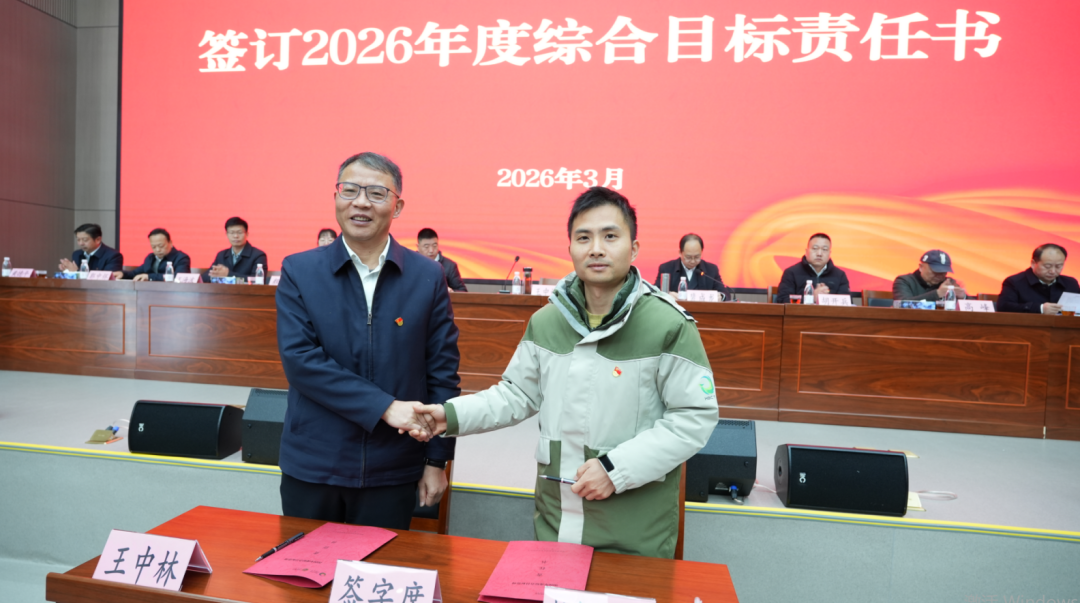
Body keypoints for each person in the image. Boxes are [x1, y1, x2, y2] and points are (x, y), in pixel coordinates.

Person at [412, 187, 719, 559]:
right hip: (556, 520)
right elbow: (516, 395)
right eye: (584, 238)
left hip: (635, 529)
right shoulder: (547, 321)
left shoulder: (668, 324)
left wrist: (616, 469)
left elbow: (693, 416)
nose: (596, 249)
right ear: (570, 247)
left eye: (610, 236)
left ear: (634, 248)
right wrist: (449, 415)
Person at [275, 152, 459, 528]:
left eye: (376, 193)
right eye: (350, 190)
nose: (360, 202)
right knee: (304, 563)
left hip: (392, 467)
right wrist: (385, 407)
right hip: (314, 464)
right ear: (336, 198)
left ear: (398, 206)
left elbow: (442, 372)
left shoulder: (427, 276)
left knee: (381, 565)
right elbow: (300, 361)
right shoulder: (299, 270)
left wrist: (437, 461)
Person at [997, 244, 1080, 314]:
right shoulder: (1014, 282)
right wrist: (1040, 308)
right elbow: (1003, 307)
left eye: (1058, 266)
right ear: (1033, 263)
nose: (1053, 271)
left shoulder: (1071, 283)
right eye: (1047, 266)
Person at [776, 233, 851, 301]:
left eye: (824, 249)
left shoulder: (840, 275)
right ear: (806, 251)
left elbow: (846, 303)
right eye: (815, 248)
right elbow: (782, 300)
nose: (819, 254)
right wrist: (812, 298)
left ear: (829, 253)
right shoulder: (791, 273)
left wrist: (826, 298)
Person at [201, 217, 268, 282]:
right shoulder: (221, 255)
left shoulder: (258, 255)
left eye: (239, 232)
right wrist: (214, 275)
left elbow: (258, 281)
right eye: (232, 233)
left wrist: (228, 274)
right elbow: (204, 277)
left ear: (247, 234)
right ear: (227, 235)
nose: (236, 236)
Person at [654, 234, 726, 293]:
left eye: (697, 257)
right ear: (680, 253)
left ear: (701, 252)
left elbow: (724, 293)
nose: (693, 261)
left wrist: (721, 296)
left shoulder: (711, 270)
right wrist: (669, 294)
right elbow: (655, 292)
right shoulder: (667, 268)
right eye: (688, 257)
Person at [114, 228, 191, 281]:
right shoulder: (150, 258)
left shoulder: (181, 258)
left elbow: (179, 278)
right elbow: (135, 273)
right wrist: (122, 274)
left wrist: (149, 277)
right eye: (153, 247)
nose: (157, 250)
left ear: (170, 243)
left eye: (161, 246)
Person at [892, 249, 967, 301]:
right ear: (921, 267)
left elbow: (971, 305)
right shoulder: (904, 281)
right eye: (935, 271)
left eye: (943, 272)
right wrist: (938, 294)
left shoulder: (949, 283)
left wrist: (963, 297)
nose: (939, 276)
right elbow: (903, 304)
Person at [417, 227, 467, 292]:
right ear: (418, 247)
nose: (431, 250)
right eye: (426, 247)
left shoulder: (450, 266)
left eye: (434, 246)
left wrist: (451, 292)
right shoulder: (409, 263)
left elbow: (463, 291)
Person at [59, 223, 123, 273]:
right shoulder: (77, 254)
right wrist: (67, 270)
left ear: (98, 240)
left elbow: (108, 279)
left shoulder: (113, 256)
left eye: (85, 240)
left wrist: (76, 272)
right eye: (78, 240)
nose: (81, 243)